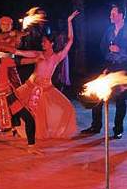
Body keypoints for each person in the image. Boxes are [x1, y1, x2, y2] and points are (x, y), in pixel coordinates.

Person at [16, 11, 79, 139]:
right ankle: (17, 127)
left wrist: (69, 21)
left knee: (67, 108)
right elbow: (18, 51)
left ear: (52, 44)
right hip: (31, 86)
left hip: (47, 88)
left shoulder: (57, 57)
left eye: (45, 42)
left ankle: (50, 131)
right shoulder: (38, 54)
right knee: (16, 103)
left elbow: (70, 40)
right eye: (42, 42)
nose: (42, 43)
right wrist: (6, 45)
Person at [82, 4, 127, 139]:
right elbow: (103, 46)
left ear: (121, 15)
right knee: (97, 93)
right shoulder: (109, 30)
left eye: (113, 14)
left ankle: (118, 129)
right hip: (109, 65)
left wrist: (121, 51)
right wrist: (109, 53)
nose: (110, 16)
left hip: (124, 68)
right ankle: (96, 126)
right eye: (110, 14)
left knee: (120, 100)